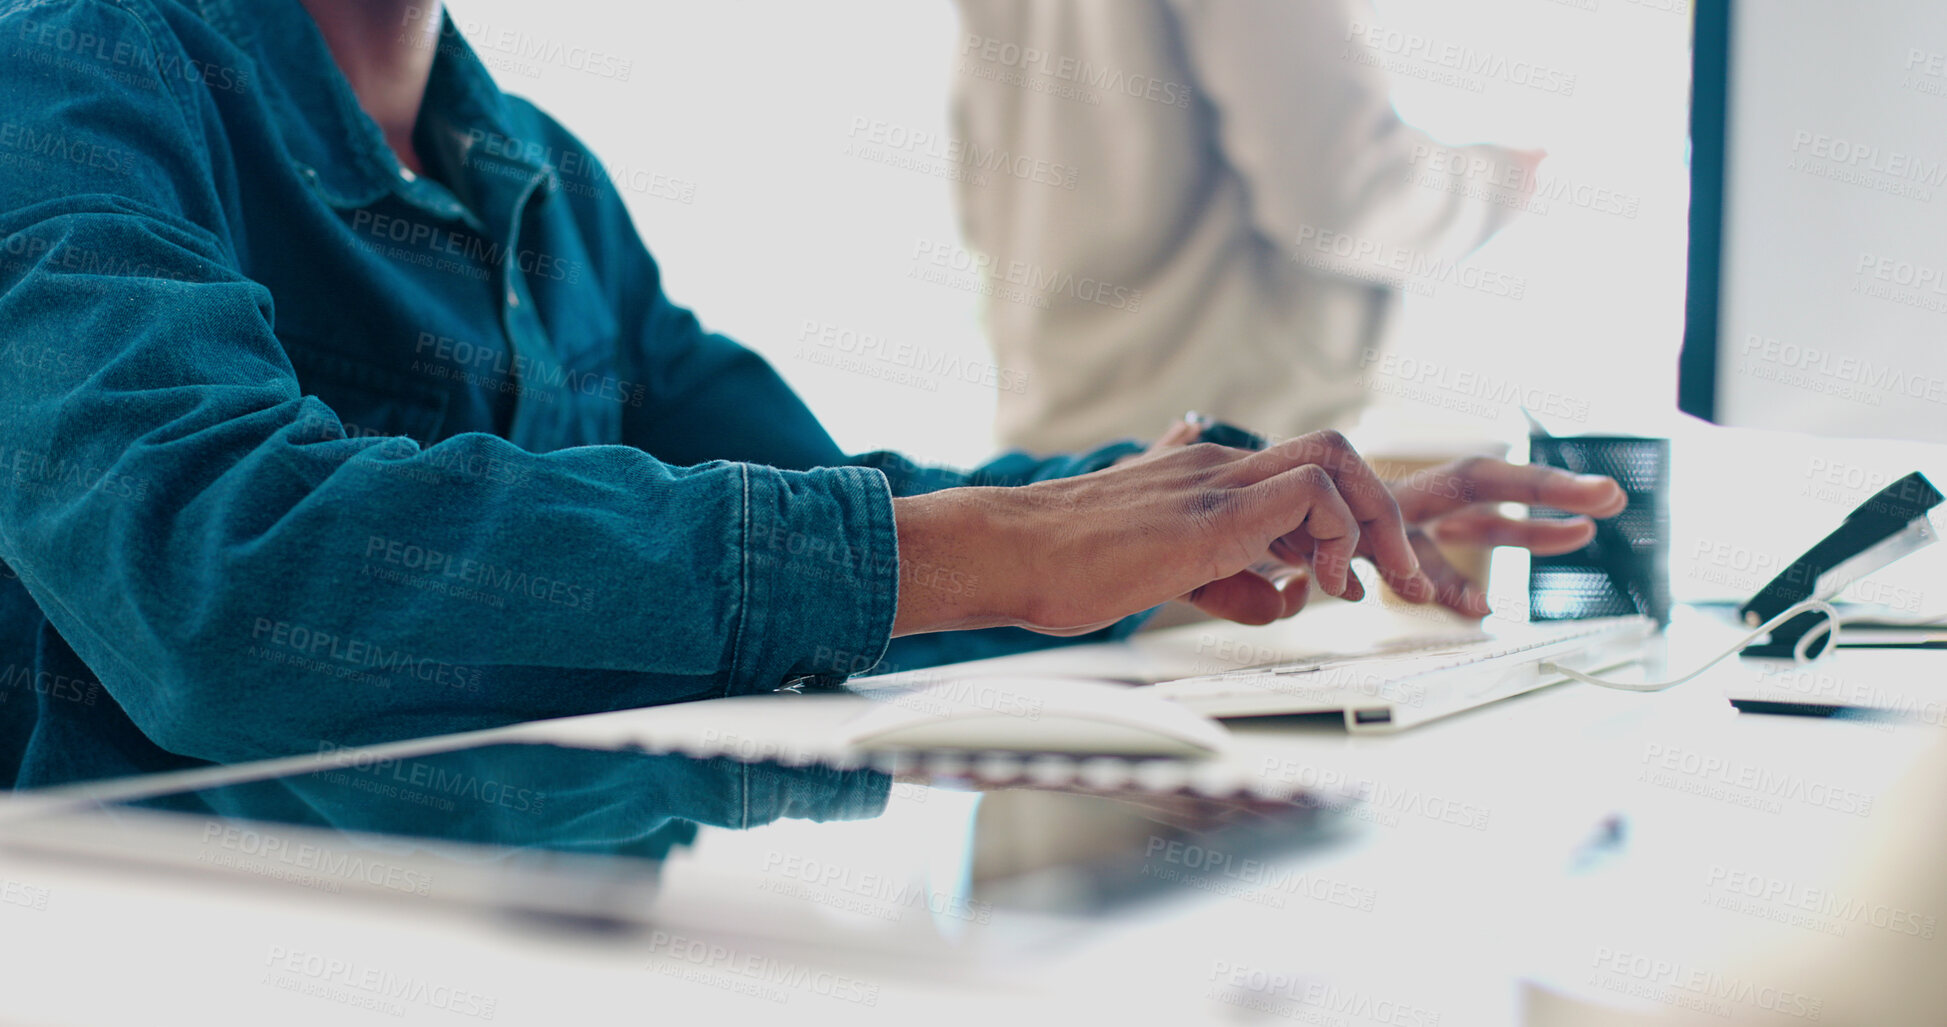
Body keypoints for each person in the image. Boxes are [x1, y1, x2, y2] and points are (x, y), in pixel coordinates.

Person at [0, 0, 1621, 788]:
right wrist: (982, 553)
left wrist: (1184, 515)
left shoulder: (541, 176)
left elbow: (846, 520)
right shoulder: (60, 77)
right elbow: (221, 577)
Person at [951, 0, 1543, 453]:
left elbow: (981, 188)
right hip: (1235, 485)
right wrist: (1506, 180)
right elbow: (1340, 199)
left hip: (1057, 470)